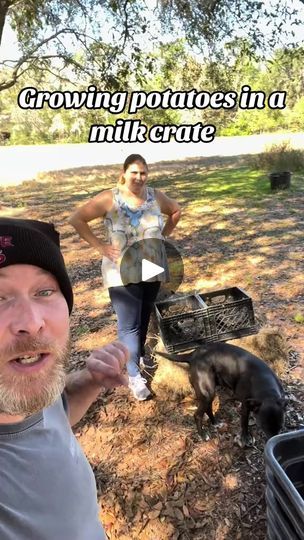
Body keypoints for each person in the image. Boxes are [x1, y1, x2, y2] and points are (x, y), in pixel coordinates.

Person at [0, 217, 129, 540]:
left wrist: (90, 381)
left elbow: (55, 412)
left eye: (44, 291)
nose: (31, 322)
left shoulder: (26, 388)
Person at [69, 154, 181, 400]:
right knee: (128, 325)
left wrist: (162, 237)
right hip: (121, 270)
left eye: (143, 173)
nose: (139, 178)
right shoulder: (110, 198)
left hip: (151, 266)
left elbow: (175, 211)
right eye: (134, 172)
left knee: (143, 316)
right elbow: (76, 219)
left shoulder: (155, 196)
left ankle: (138, 356)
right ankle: (133, 375)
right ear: (124, 172)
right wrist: (100, 246)